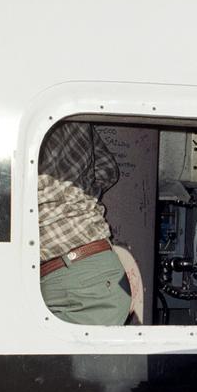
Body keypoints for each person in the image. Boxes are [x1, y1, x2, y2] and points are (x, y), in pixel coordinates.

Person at [37, 120, 132, 325]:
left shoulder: (25, 112)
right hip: (89, 271)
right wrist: (76, 200)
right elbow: (107, 170)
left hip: (79, 279)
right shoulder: (74, 113)